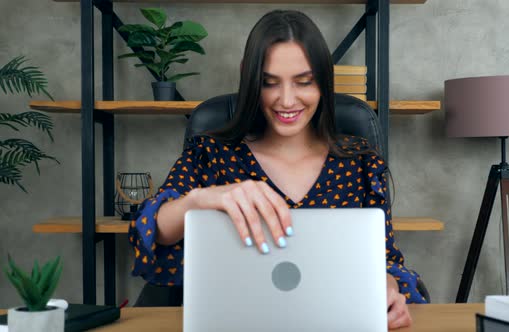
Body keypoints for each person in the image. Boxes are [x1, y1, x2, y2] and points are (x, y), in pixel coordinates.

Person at [129, 9, 426, 329]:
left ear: (324, 82)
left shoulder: (361, 163)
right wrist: (197, 200)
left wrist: (389, 289)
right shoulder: (209, 155)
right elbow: (149, 231)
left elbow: (386, 262)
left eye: (304, 82)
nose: (287, 100)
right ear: (250, 79)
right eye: (270, 83)